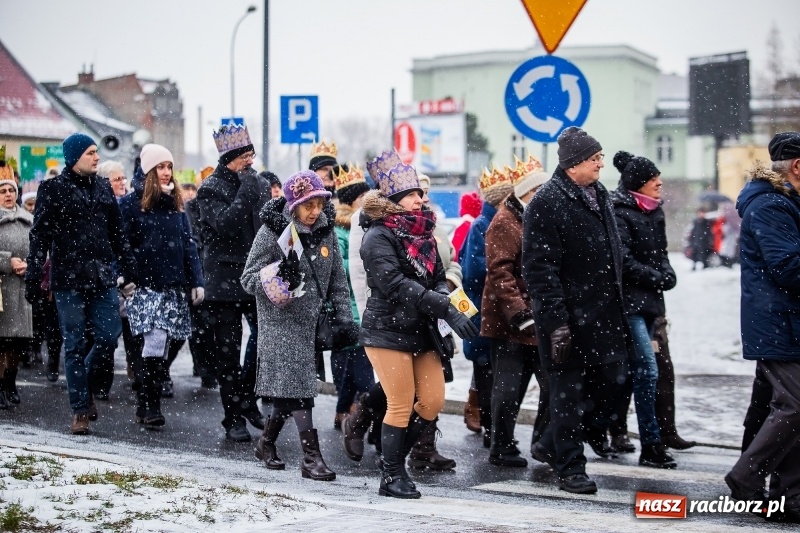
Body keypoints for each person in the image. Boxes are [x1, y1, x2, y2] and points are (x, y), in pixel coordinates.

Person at [357, 150, 478, 499]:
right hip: (386, 330)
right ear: (395, 199)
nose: (421, 199)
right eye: (413, 194)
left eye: (420, 194)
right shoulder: (377, 236)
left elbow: (438, 277)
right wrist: (445, 308)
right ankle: (391, 474)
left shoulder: (424, 231)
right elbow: (396, 285)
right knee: (400, 402)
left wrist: (451, 304)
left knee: (431, 402)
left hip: (422, 329)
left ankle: (395, 460)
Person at [521, 127, 629, 494]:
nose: (601, 162)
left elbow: (613, 251)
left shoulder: (599, 193)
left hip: (604, 314)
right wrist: (556, 323)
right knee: (567, 396)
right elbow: (539, 269)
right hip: (566, 319)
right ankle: (570, 467)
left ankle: (550, 443)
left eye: (600, 156)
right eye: (594, 158)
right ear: (573, 165)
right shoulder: (546, 202)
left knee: (610, 387)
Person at [242, 170, 356, 481]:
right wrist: (278, 276)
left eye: (319, 204)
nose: (314, 211)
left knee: (289, 390)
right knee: (302, 388)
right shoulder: (272, 231)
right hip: (279, 320)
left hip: (311, 323)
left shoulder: (326, 233)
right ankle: (311, 457)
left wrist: (344, 317)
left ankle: (265, 443)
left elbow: (338, 282)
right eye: (308, 205)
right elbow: (248, 277)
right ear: (293, 205)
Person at [25, 133, 138, 434]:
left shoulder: (103, 187)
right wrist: (34, 275)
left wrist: (129, 265)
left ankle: (82, 388)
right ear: (75, 157)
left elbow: (116, 232)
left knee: (108, 337)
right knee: (73, 344)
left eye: (96, 152)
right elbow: (39, 236)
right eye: (90, 153)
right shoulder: (52, 189)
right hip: (68, 278)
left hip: (101, 276)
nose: (97, 157)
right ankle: (80, 411)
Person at [725, 132, 800, 524]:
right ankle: (745, 478)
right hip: (777, 322)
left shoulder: (785, 201)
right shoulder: (771, 205)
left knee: (779, 408)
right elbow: (787, 267)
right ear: (798, 167)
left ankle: (788, 496)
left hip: (785, 320)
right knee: (794, 406)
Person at [119, 144, 203, 428]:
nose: (167, 172)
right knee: (154, 343)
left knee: (173, 341)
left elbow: (188, 245)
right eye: (161, 167)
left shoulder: (176, 204)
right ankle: (151, 404)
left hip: (174, 286)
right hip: (145, 286)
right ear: (149, 170)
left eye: (169, 167)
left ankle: (146, 393)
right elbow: (121, 243)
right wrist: (126, 276)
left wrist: (196, 281)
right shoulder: (131, 203)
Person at [197, 124, 268, 442]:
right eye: (246, 156)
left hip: (255, 276)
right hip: (224, 282)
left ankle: (247, 397)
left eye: (253, 154)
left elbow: (269, 227)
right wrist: (245, 194)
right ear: (231, 158)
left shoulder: (257, 183)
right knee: (228, 352)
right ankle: (233, 417)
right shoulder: (210, 188)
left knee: (264, 341)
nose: (251, 161)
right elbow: (225, 226)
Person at [610, 151, 678, 468]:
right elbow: (623, 260)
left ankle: (614, 429)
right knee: (647, 371)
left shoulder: (656, 213)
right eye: (654, 180)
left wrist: (668, 273)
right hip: (630, 304)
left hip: (651, 303)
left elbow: (661, 253)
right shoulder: (620, 211)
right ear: (640, 184)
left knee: (640, 372)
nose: (660, 183)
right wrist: (655, 277)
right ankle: (650, 444)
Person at [482, 155, 550, 467]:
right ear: (525, 192)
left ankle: (544, 442)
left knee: (552, 384)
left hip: (536, 315)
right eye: (538, 191)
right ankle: (501, 446)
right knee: (508, 387)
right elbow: (500, 274)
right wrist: (520, 313)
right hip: (510, 320)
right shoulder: (505, 221)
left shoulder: (533, 218)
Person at [460, 166, 514, 448]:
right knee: (487, 376)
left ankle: (496, 430)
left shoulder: (499, 223)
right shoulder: (482, 225)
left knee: (496, 375)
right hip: (483, 315)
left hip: (493, 314)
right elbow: (474, 271)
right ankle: (492, 430)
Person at [330, 164, 374, 430]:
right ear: (353, 200)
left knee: (351, 366)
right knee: (362, 370)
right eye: (362, 198)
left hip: (360, 307)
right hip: (347, 309)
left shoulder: (363, 226)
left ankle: (342, 410)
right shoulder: (340, 230)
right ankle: (365, 420)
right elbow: (342, 270)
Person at [0, 178, 33, 408]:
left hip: (22, 288)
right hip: (1, 289)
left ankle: (10, 381)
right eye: (2, 191)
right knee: (2, 340)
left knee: (17, 342)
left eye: (11, 190)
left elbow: (43, 249)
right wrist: (6, 261)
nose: (8, 194)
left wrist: (31, 264)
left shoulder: (28, 220)